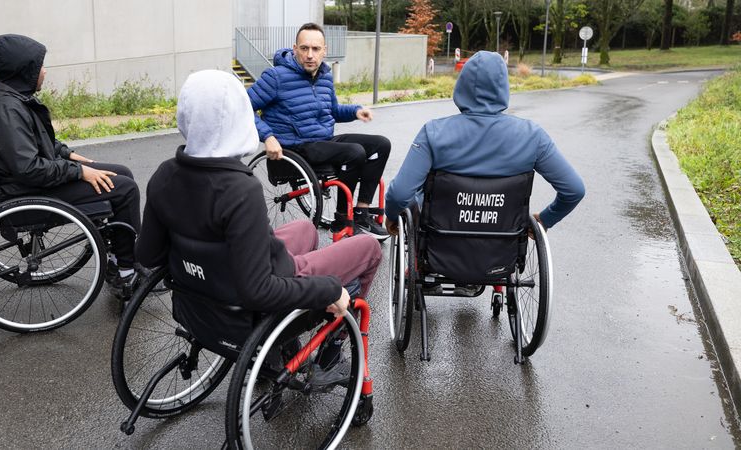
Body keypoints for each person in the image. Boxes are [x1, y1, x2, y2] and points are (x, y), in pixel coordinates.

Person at [135, 70, 382, 356]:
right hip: (250, 305)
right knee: (368, 247)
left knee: (306, 229)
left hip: (202, 296)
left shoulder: (165, 174)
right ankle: (334, 340)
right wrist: (328, 289)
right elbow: (258, 290)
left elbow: (148, 255)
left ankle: (285, 352)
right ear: (238, 119)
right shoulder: (239, 188)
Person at [385, 51, 585, 292]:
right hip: (501, 249)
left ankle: (422, 265)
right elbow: (574, 190)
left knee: (417, 196)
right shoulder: (532, 136)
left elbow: (399, 194)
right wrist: (544, 220)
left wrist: (392, 216)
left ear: (462, 86)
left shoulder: (433, 133)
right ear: (504, 88)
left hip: (440, 243)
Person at [0, 34, 141, 298]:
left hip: (26, 184)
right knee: (125, 188)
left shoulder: (11, 99)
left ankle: (119, 257)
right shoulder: (7, 109)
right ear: (24, 71)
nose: (45, 71)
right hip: (27, 194)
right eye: (39, 66)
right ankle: (127, 273)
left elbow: (38, 143)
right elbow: (29, 167)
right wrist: (80, 172)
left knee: (121, 173)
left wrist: (70, 155)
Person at [247, 22, 391, 240]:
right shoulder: (275, 77)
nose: (310, 55)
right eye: (304, 48)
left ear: (325, 51)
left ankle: (361, 212)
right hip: (295, 148)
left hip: (323, 142)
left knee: (381, 144)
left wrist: (356, 111)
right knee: (354, 152)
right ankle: (342, 219)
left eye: (316, 49)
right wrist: (267, 137)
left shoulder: (324, 76)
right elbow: (243, 108)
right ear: (294, 49)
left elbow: (332, 110)